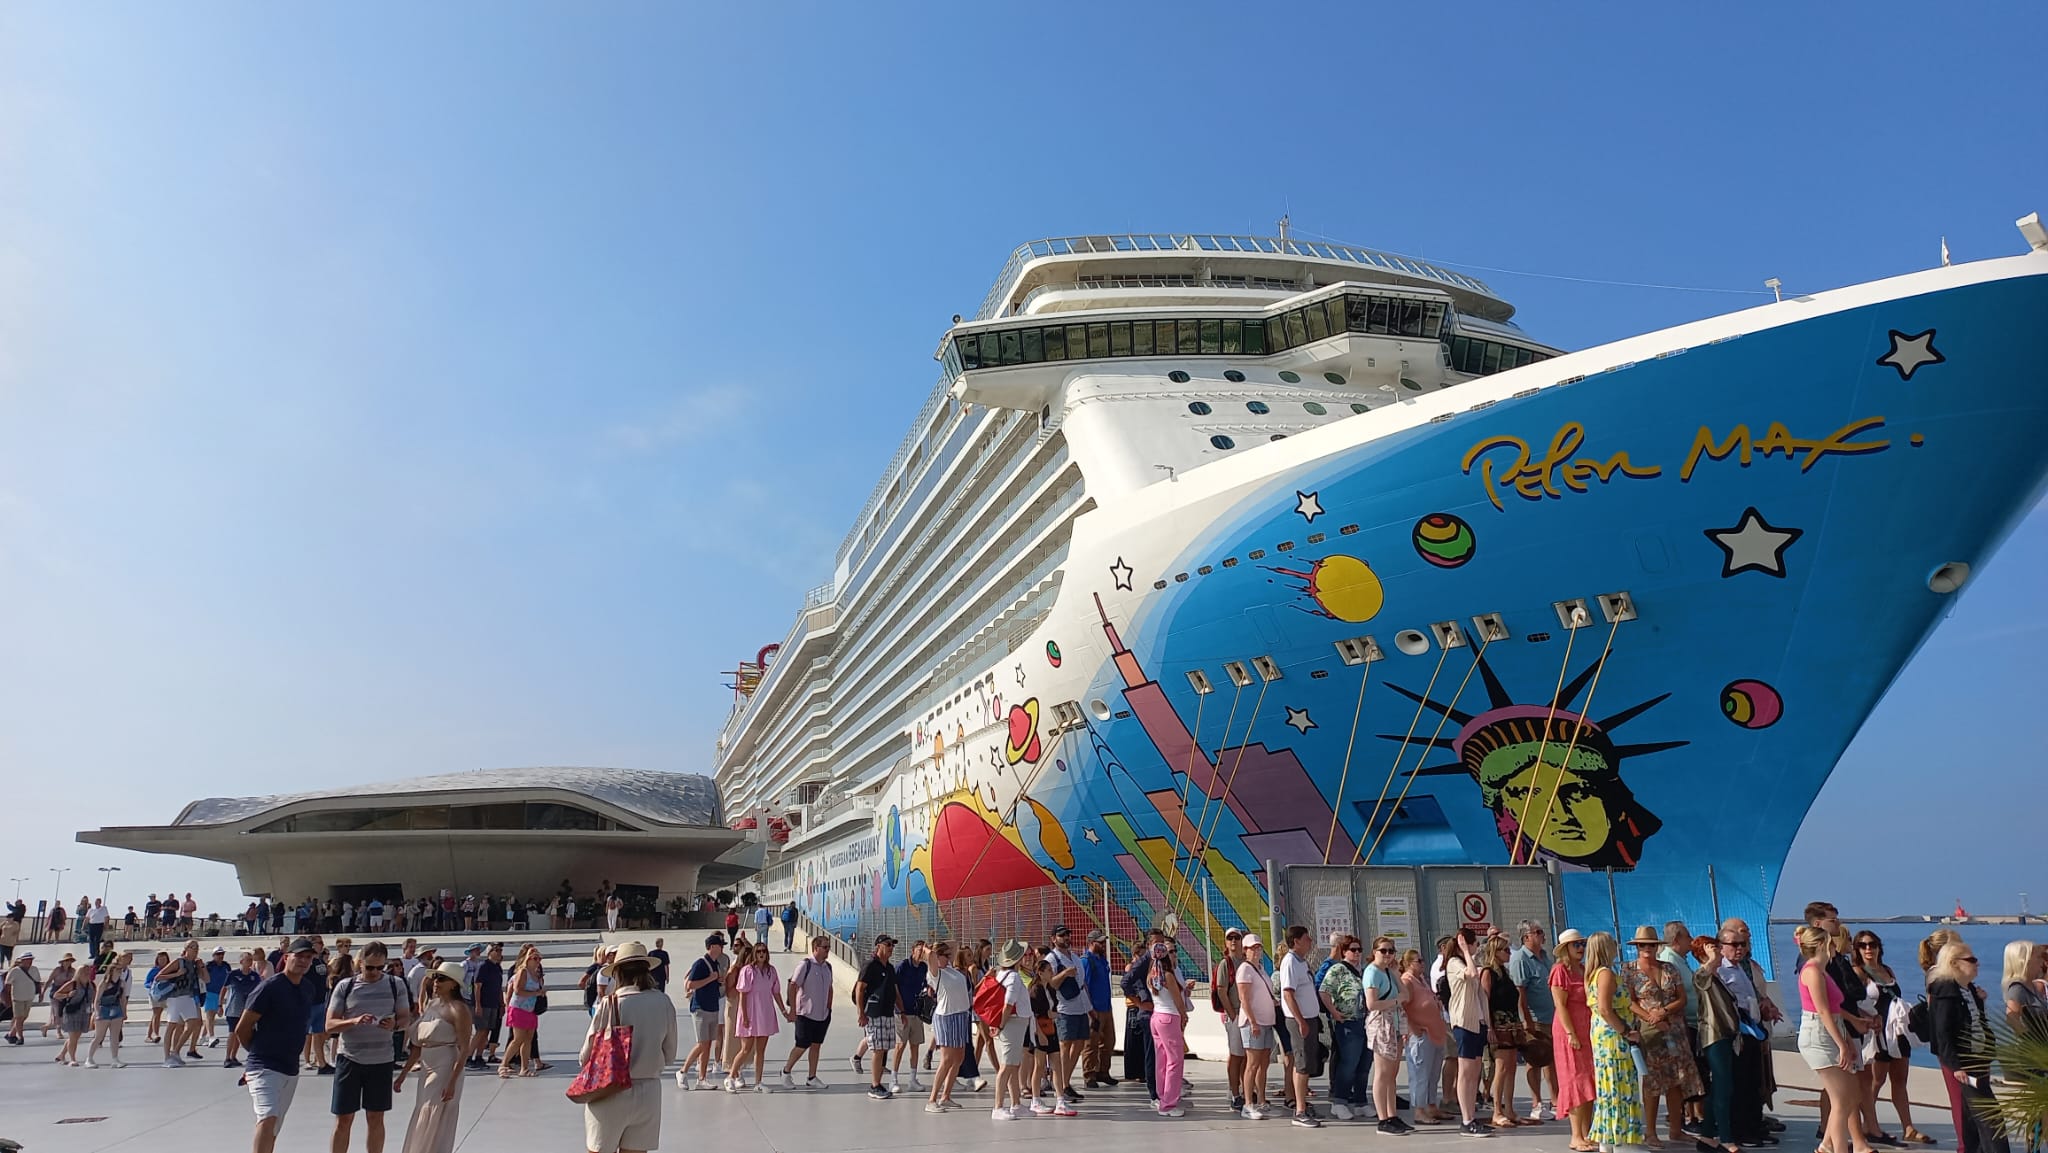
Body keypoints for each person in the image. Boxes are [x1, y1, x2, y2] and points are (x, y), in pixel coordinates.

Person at [576, 942, 675, 1153]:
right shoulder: (664, 1002)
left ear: (618, 972)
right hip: (648, 1092)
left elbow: (586, 1056)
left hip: (611, 1090)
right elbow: (669, 1055)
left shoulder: (610, 1003)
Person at [235, 937, 320, 1153]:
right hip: (264, 1067)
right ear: (286, 957)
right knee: (267, 1117)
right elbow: (242, 1029)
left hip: (290, 1069)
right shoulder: (269, 988)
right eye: (299, 956)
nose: (303, 961)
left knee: (273, 1128)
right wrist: (257, 1054)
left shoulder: (308, 989)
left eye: (308, 958)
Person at [1929, 941, 2011, 1153]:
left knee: (1972, 1118)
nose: (1977, 964)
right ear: (1954, 963)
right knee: (1991, 1118)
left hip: (1978, 1058)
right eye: (1971, 960)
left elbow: (1976, 1022)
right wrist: (1956, 1066)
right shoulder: (1946, 992)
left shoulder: (1970, 990)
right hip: (1966, 1062)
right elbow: (1943, 1032)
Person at [1850, 932, 1930, 1145]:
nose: (1869, 949)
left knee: (1900, 1079)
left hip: (1896, 1031)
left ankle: (1908, 1127)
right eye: (1863, 945)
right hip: (1876, 1033)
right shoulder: (1858, 973)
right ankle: (1868, 1125)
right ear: (1856, 948)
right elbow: (1854, 1003)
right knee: (1876, 1080)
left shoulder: (1887, 970)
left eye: (1873, 944)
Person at [1625, 924, 1703, 1145]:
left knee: (1677, 1079)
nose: (1647, 948)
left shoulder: (1670, 968)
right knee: (1652, 1081)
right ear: (1637, 947)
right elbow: (1629, 1001)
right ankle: (1650, 1132)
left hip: (1675, 1027)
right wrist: (1650, 1016)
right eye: (1642, 945)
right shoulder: (1629, 970)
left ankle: (1676, 1129)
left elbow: (1682, 998)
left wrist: (1664, 1011)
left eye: (1650, 944)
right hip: (1650, 1030)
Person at [328, 939, 407, 1153]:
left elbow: (406, 1018)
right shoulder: (346, 986)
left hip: (381, 1060)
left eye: (380, 967)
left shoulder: (395, 984)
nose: (374, 972)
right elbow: (329, 1024)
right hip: (350, 1058)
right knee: (344, 1118)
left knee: (375, 1117)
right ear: (360, 963)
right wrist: (352, 1021)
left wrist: (395, 1024)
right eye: (370, 967)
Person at [395, 961, 471, 1153]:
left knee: (433, 1110)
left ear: (453, 984)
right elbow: (419, 1046)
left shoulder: (459, 1009)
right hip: (427, 1064)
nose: (436, 982)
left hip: (446, 1065)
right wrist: (403, 1074)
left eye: (442, 978)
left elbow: (464, 1049)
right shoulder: (432, 1004)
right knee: (423, 1108)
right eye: (435, 977)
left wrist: (452, 1081)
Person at [1587, 931, 1647, 1151]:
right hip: (1613, 1036)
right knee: (1620, 1085)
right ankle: (1623, 1138)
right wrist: (1624, 1030)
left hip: (1604, 1035)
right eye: (1612, 943)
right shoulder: (1605, 974)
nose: (1616, 945)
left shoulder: (1596, 973)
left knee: (1610, 1087)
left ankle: (1609, 1139)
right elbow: (1604, 1008)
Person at [1551, 929, 1598, 1151]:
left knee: (1589, 1081)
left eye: (1582, 944)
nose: (1580, 948)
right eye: (1576, 945)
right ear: (1565, 949)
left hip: (1587, 1029)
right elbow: (1560, 1005)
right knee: (1575, 1080)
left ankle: (1586, 1132)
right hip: (1569, 1030)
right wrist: (1571, 1033)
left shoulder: (1583, 969)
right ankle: (1576, 1135)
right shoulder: (1560, 971)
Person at [1442, 927, 1491, 1138]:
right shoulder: (1454, 963)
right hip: (1464, 1022)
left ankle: (1471, 1114)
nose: (1477, 947)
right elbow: (1471, 973)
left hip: (1477, 1022)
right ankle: (1466, 1119)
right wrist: (1464, 950)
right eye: (1475, 943)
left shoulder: (1466, 962)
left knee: (1474, 1073)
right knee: (1466, 1072)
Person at [1276, 924, 1324, 1128]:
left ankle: (1302, 1102)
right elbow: (1288, 993)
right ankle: (1300, 1110)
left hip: (1309, 1018)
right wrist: (1301, 1021)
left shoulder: (1301, 962)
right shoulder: (1290, 962)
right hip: (1299, 1020)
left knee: (1305, 1064)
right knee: (1302, 1064)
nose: (1310, 941)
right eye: (1307, 938)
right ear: (1296, 941)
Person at [1511, 920, 1560, 1122]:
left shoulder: (1546, 957)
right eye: (1537, 932)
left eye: (1542, 931)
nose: (1542, 935)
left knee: (1551, 1060)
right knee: (1535, 1060)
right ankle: (1536, 1103)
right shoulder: (1521, 959)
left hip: (1551, 1017)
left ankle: (1555, 1100)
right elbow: (1520, 993)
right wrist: (1527, 1021)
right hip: (1535, 1018)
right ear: (1526, 937)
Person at [1363, 935, 1411, 1133]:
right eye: (1383, 950)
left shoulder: (1389, 973)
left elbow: (1406, 995)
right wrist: (1395, 1002)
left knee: (1392, 1074)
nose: (1388, 954)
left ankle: (1392, 1115)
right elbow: (1372, 1004)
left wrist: (1396, 974)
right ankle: (1382, 1119)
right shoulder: (1372, 972)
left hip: (1395, 1023)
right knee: (1382, 1074)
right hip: (1382, 1023)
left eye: (1391, 951)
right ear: (1375, 952)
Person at [1483, 933, 1529, 1128]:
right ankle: (1497, 1110)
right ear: (1496, 951)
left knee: (1510, 1067)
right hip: (1499, 1023)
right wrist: (1490, 1027)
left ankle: (1509, 1109)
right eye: (1505, 950)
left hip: (1511, 1023)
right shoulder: (1488, 973)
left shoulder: (1504, 972)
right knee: (1501, 1068)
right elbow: (1485, 1001)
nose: (1509, 953)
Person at [1321, 935, 1368, 1120]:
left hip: (1365, 1021)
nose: (1356, 953)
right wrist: (1334, 1012)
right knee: (1348, 1063)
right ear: (1344, 951)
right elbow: (1324, 990)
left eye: (1359, 950)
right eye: (1352, 950)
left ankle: (1360, 1101)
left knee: (1364, 1063)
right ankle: (1339, 1101)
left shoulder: (1363, 971)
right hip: (1348, 1022)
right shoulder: (1338, 970)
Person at [778, 935, 833, 1090]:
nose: (828, 950)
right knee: (802, 1045)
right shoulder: (805, 965)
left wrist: (829, 1007)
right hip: (805, 1014)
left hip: (822, 1014)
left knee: (816, 1045)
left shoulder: (827, 967)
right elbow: (793, 985)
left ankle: (812, 1077)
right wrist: (793, 1011)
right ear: (816, 948)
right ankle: (785, 1071)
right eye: (825, 947)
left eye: (828, 947)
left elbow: (830, 987)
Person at [1402, 946, 1449, 1125]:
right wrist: (1414, 1028)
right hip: (1421, 1035)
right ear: (1408, 964)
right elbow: (1404, 1007)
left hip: (1434, 1032)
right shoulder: (1407, 981)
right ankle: (1419, 1110)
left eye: (1422, 960)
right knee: (1420, 1073)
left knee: (1432, 1073)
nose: (1422, 964)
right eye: (1418, 961)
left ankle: (1431, 1105)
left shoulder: (1421, 979)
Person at [728, 941, 783, 1093]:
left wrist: (784, 1010)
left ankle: (758, 1082)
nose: (761, 954)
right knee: (746, 1049)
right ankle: (731, 1076)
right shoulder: (747, 971)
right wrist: (744, 1016)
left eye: (764, 951)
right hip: (751, 1013)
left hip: (765, 1013)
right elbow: (743, 994)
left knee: (761, 1050)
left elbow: (776, 992)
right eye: (758, 951)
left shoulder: (771, 971)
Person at [1044, 925, 1088, 1106]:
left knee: (1079, 1044)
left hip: (1080, 1005)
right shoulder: (1052, 959)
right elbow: (1051, 983)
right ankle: (1060, 1085)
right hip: (1064, 1007)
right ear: (1054, 938)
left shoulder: (1076, 958)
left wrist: (1090, 1008)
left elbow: (1083, 983)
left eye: (1068, 934)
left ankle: (1065, 1082)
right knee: (1064, 1045)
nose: (1066, 938)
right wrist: (1064, 973)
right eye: (1062, 935)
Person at [926, 941, 972, 1112]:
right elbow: (930, 956)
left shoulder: (951, 969)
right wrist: (929, 949)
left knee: (958, 1058)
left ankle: (946, 1096)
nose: (949, 957)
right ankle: (932, 1099)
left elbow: (954, 943)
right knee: (946, 1059)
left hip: (961, 1015)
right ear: (937, 957)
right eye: (945, 956)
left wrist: (942, 947)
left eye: (949, 955)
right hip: (947, 1017)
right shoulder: (936, 974)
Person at [677, 933, 728, 1089]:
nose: (722, 948)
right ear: (712, 947)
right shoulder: (700, 963)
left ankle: (702, 1078)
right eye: (720, 945)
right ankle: (682, 1071)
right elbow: (690, 984)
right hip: (700, 1007)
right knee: (702, 1043)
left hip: (713, 1006)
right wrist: (710, 979)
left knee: (707, 1045)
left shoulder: (715, 964)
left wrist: (718, 980)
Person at [853, 935, 901, 1100]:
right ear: (878, 946)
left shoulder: (889, 968)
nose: (891, 948)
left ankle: (878, 1082)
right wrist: (861, 1013)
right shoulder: (870, 965)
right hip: (873, 1013)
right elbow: (860, 989)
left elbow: (895, 991)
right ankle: (874, 1085)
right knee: (878, 1049)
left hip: (887, 1012)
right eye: (888, 945)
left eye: (892, 945)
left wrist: (901, 1011)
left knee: (884, 1048)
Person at [1236, 932, 1277, 1120]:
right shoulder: (1245, 969)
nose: (1256, 951)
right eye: (1252, 948)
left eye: (1258, 947)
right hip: (1254, 1022)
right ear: (1245, 950)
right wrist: (1252, 1021)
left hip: (1267, 1021)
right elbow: (1244, 998)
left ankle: (1261, 1099)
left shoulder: (1260, 968)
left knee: (1263, 1063)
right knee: (1252, 1064)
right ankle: (1248, 1103)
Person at [988, 939, 1031, 1121]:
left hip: (1012, 1024)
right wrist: (1001, 1025)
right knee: (1006, 1066)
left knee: (1013, 1065)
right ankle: (998, 1107)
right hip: (1012, 1024)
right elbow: (1008, 1004)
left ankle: (1016, 1104)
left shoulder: (1002, 975)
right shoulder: (1013, 977)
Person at [1149, 937, 1191, 1117]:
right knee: (1175, 1060)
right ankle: (1169, 1103)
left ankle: (1162, 1097)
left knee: (1162, 1060)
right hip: (1169, 1017)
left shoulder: (1151, 975)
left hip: (1156, 1016)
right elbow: (1177, 1000)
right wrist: (1184, 1015)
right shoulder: (1168, 975)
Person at [1211, 928, 1248, 1111]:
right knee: (1236, 1055)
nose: (1233, 941)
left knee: (1247, 1056)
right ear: (1226, 943)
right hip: (1235, 1012)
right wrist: (1233, 1015)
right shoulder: (1226, 964)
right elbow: (1221, 990)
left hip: (1248, 1013)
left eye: (1237, 937)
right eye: (1230, 938)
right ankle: (1234, 1093)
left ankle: (1245, 1090)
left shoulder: (1246, 962)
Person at [156, 939, 207, 1066]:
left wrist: (201, 967)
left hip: (188, 996)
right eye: (192, 947)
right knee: (171, 1025)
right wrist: (177, 974)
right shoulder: (179, 962)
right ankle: (167, 1057)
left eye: (197, 948)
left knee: (193, 1024)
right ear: (186, 949)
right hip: (175, 997)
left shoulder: (195, 964)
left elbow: (206, 979)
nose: (195, 950)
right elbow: (159, 977)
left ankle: (176, 1051)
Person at [890, 939, 931, 1094]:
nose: (921, 952)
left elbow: (926, 984)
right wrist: (899, 1010)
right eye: (919, 949)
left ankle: (913, 1079)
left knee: (915, 1045)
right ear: (913, 950)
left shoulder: (923, 967)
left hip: (917, 1013)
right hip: (903, 1012)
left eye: (924, 950)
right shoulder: (902, 966)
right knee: (900, 1045)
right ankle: (893, 1079)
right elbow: (894, 988)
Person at [500, 944, 546, 1078]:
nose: (538, 961)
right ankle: (503, 1064)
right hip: (519, 1008)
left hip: (530, 1010)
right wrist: (536, 993)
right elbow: (517, 990)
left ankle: (524, 1068)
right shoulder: (523, 971)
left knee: (528, 1039)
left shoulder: (536, 974)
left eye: (539, 959)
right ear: (529, 959)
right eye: (535, 958)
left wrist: (541, 993)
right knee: (518, 1039)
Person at [1081, 928, 1117, 1087]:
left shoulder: (1102, 959)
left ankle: (1103, 1071)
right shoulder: (1086, 960)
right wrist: (1090, 1009)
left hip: (1106, 1006)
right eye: (1100, 942)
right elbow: (1085, 985)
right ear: (1091, 943)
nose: (1103, 944)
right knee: (1091, 1043)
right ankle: (1089, 1074)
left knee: (1108, 1041)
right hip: (1094, 1008)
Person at [87, 950, 133, 1067]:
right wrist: (97, 1012)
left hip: (116, 1008)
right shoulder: (104, 984)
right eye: (117, 970)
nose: (119, 972)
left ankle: (115, 1059)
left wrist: (124, 1012)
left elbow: (122, 999)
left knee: (115, 1036)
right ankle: (89, 1058)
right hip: (104, 1009)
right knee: (99, 1036)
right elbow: (97, 1000)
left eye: (119, 970)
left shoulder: (121, 983)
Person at [467, 943, 504, 1068]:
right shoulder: (483, 966)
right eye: (496, 951)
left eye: (500, 951)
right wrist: (478, 1004)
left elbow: (499, 987)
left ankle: (479, 1055)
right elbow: (477, 986)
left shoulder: (497, 968)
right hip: (483, 1003)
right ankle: (468, 1056)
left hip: (493, 1003)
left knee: (486, 1031)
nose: (499, 953)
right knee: (480, 1030)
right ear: (490, 953)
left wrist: (501, 1003)